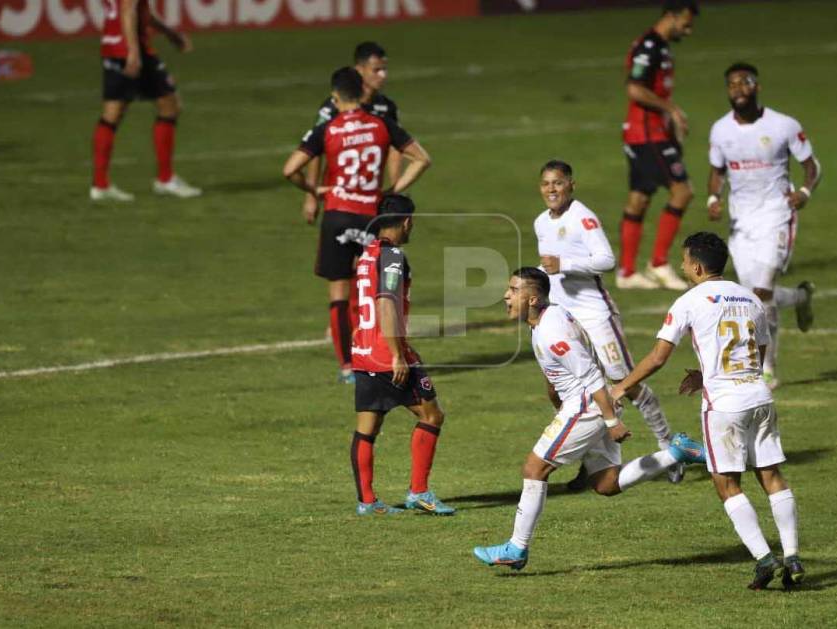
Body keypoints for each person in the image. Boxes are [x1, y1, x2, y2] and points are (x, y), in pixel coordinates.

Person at [472, 268, 706, 570]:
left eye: (513, 290)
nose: (506, 295)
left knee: (534, 468)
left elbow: (591, 376)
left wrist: (611, 421)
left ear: (531, 299)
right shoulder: (547, 317)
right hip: (589, 403)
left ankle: (516, 549)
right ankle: (677, 452)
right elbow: (557, 369)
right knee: (606, 483)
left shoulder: (551, 330)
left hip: (589, 405)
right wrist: (557, 399)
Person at [611, 232, 804, 590]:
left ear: (697, 267)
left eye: (684, 261)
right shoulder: (749, 297)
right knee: (771, 475)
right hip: (759, 396)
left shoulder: (689, 301)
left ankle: (764, 558)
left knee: (726, 483)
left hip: (724, 406)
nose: (683, 266)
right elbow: (756, 355)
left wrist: (621, 387)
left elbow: (658, 357)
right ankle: (792, 555)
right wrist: (709, 373)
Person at [532, 160, 683, 485]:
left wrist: (565, 264)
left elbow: (606, 260)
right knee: (572, 390)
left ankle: (668, 446)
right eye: (546, 184)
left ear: (571, 184)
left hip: (595, 314)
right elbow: (549, 269)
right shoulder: (541, 223)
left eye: (558, 183)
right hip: (564, 317)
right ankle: (592, 465)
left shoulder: (582, 217)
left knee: (623, 381)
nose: (552, 189)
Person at [282, 66, 431, 383]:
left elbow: (289, 169)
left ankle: (347, 366)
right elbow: (422, 159)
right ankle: (381, 356)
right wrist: (394, 189)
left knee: (338, 291)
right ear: (361, 91)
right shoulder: (380, 124)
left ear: (336, 96)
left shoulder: (329, 127)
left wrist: (313, 191)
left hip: (336, 214)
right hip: (370, 215)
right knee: (381, 288)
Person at [706, 62, 820, 388]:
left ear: (756, 87)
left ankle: (767, 369)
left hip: (777, 215)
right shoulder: (720, 131)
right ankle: (800, 297)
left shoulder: (784, 125)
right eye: (732, 84)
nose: (738, 89)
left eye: (745, 82)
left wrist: (804, 191)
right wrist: (713, 198)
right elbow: (716, 171)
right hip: (741, 223)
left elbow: (812, 165)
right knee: (756, 299)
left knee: (761, 290)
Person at [345, 194, 453, 516]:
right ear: (407, 221)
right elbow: (386, 303)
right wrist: (396, 354)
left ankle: (367, 502)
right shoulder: (392, 255)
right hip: (385, 353)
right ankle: (418, 492)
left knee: (367, 427)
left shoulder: (367, 255)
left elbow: (363, 303)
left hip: (363, 351)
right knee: (432, 416)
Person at [616, 0, 699, 290]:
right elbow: (634, 88)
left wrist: (669, 115)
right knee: (682, 191)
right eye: (686, 23)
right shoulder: (649, 47)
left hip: (647, 133)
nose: (688, 31)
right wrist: (671, 109)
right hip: (647, 135)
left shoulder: (660, 47)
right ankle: (659, 263)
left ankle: (626, 273)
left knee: (639, 197)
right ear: (670, 16)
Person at [91, 0, 201, 201]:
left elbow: (141, 12)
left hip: (111, 46)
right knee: (170, 105)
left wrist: (169, 33)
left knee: (112, 113)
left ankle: (100, 185)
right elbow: (127, 9)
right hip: (132, 47)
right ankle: (165, 179)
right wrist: (133, 51)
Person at [302, 41, 402, 224]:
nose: (383, 75)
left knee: (380, 249)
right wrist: (311, 195)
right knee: (347, 249)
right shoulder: (334, 106)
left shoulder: (386, 107)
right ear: (359, 69)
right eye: (376, 70)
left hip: (372, 199)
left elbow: (397, 149)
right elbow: (313, 151)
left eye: (385, 69)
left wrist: (395, 190)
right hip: (339, 201)